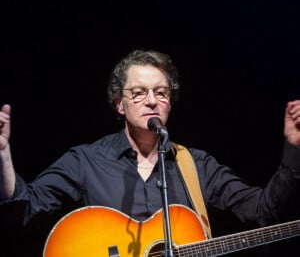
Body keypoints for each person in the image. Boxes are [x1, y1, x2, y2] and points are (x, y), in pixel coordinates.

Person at [0, 49, 300, 257]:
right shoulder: (85, 161)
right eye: (139, 92)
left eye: (161, 92)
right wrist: (3, 156)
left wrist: (294, 149)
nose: (152, 101)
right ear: (120, 104)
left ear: (170, 103)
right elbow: (24, 208)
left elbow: (263, 211)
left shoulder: (196, 165)